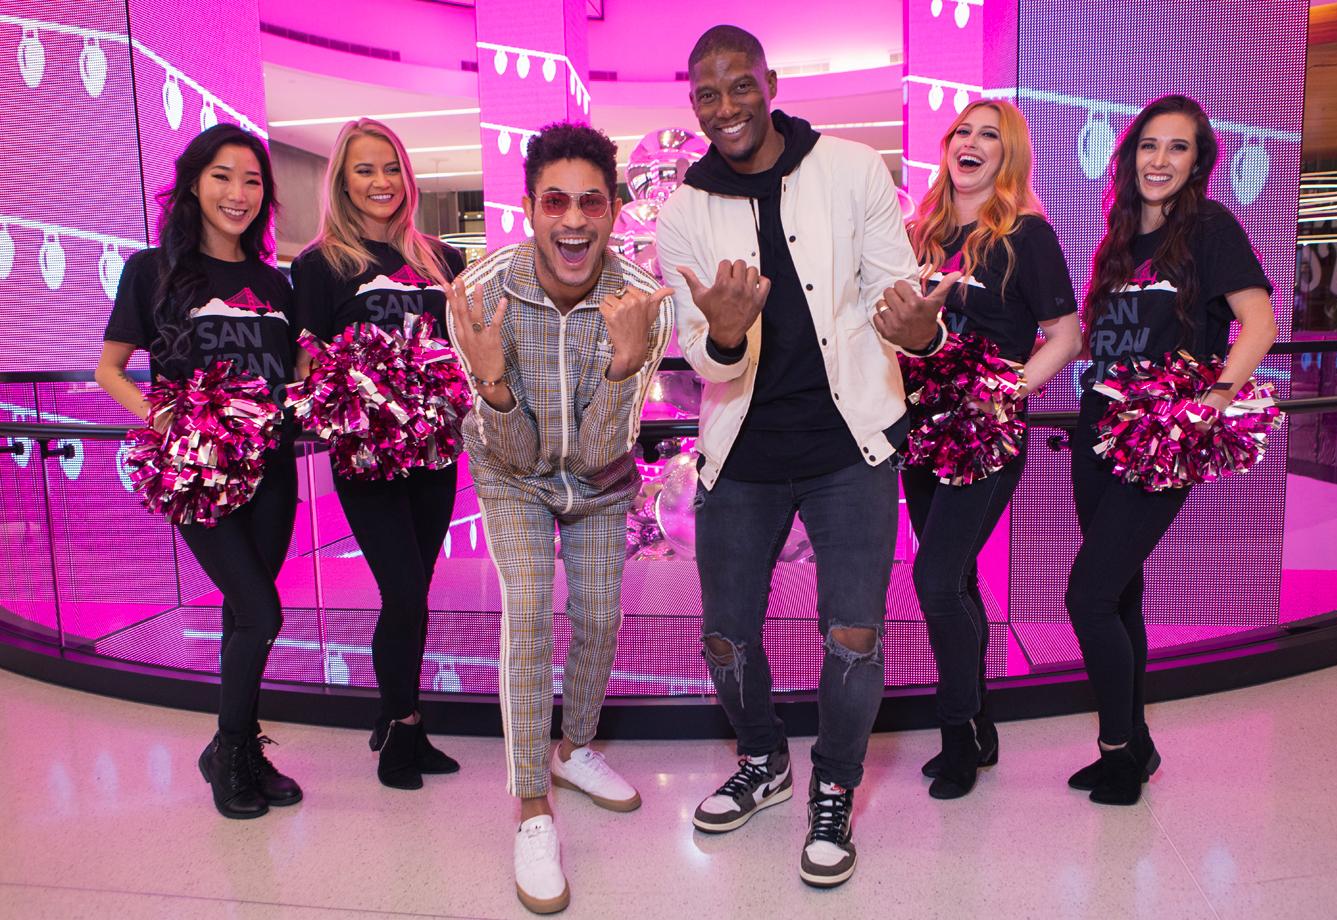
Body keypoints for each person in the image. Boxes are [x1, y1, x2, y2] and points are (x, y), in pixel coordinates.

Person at [656, 25, 948, 889]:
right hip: (742, 450)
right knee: (723, 637)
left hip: (847, 444)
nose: (726, 107)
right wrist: (723, 330)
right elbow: (697, 358)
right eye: (707, 94)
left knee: (853, 633)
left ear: (771, 83)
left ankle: (834, 783)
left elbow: (901, 302)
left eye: (739, 86)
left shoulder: (853, 169)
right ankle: (762, 760)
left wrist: (921, 333)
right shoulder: (683, 210)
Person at [446, 122, 673, 914]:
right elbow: (514, 446)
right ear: (529, 208)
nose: (572, 221)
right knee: (530, 614)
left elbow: (607, 445)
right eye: (555, 202)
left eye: (590, 203)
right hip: (511, 474)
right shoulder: (481, 297)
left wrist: (620, 363)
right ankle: (531, 805)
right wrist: (496, 384)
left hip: (601, 480)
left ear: (613, 211)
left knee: (604, 616)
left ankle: (575, 747)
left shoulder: (643, 308)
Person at [1068, 94, 1277, 805]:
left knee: (1088, 596)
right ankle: (1137, 744)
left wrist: (1212, 400)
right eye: (1148, 146)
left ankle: (1118, 751)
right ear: (1129, 156)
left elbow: (1259, 323)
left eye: (1176, 148)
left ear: (1198, 161)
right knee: (1119, 594)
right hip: (1096, 428)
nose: (1159, 160)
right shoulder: (1121, 235)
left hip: (1160, 437)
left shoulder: (1212, 228)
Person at [95, 124, 302, 820]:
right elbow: (110, 370)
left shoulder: (275, 282)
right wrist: (168, 421)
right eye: (222, 176)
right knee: (262, 611)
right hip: (200, 475)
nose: (238, 193)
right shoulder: (151, 271)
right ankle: (228, 751)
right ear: (191, 182)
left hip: (273, 473)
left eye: (251, 181)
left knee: (243, 616)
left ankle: (238, 750)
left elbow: (291, 365)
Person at [902, 100, 1082, 799]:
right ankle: (980, 724)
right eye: (961, 133)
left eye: (988, 136)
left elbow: (1065, 335)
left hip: (985, 433)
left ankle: (956, 740)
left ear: (1006, 156)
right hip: (920, 428)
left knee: (935, 580)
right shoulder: (922, 232)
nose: (970, 143)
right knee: (960, 580)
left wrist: (1007, 391)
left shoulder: (1026, 236)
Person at [290, 118, 465, 789]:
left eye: (391, 167)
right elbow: (306, 366)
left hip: (436, 450)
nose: (381, 182)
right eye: (365, 170)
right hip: (365, 456)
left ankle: (402, 718)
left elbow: (461, 349)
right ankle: (401, 732)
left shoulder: (440, 258)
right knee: (400, 591)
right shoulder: (318, 264)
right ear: (341, 180)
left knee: (416, 592)